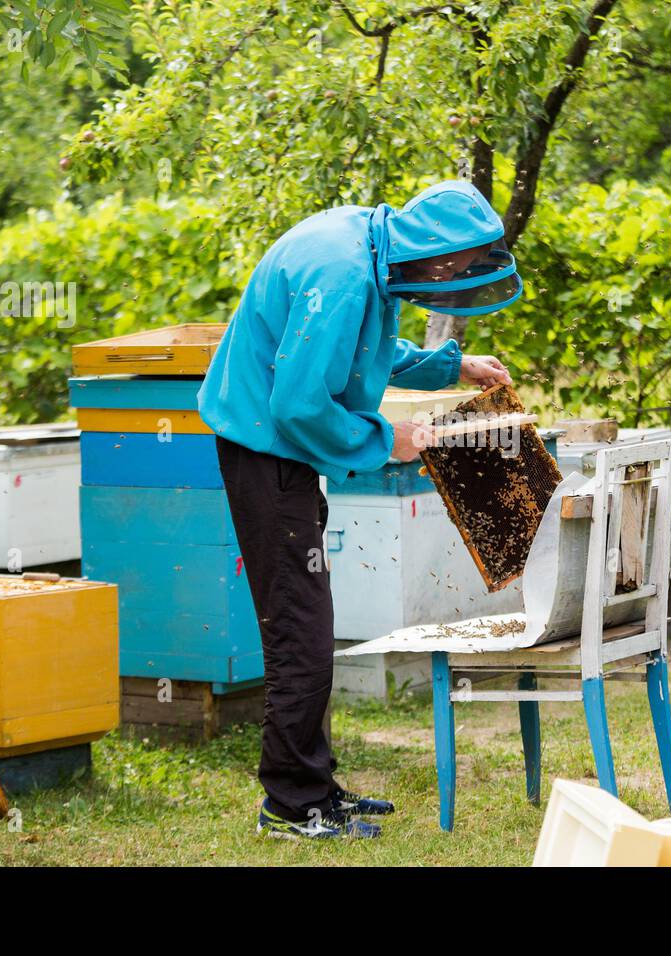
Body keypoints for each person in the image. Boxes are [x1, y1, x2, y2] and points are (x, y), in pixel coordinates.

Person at [198, 180, 524, 838]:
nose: (453, 283)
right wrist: (386, 441)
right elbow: (298, 404)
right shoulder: (344, 274)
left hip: (279, 450)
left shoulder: (370, 249)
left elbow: (365, 352)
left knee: (309, 628)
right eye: (455, 273)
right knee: (302, 636)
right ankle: (292, 805)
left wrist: (449, 367)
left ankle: (315, 786)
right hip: (269, 451)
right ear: (433, 257)